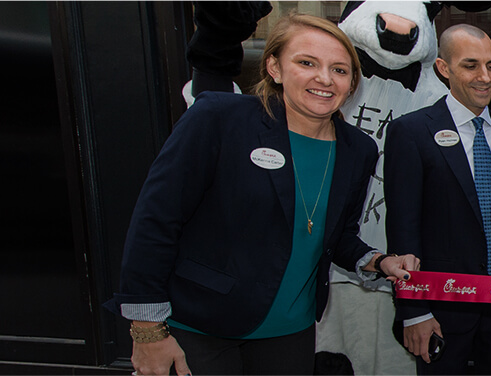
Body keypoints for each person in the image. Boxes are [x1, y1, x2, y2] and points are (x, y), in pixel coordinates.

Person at [105, 13, 419, 376]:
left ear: (351, 84)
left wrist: (380, 261)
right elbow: (156, 221)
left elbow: (336, 235)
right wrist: (147, 331)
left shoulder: (358, 149)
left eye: (339, 70)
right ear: (274, 67)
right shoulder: (220, 117)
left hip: (290, 333)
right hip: (200, 326)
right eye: (306, 63)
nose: (324, 78)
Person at [384, 24, 491, 375]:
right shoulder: (412, 133)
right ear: (444, 68)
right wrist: (414, 311)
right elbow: (402, 229)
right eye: (471, 65)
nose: (485, 77)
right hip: (443, 304)